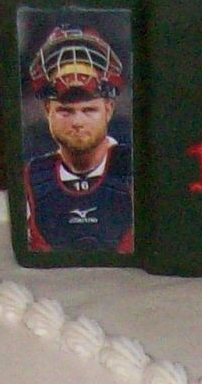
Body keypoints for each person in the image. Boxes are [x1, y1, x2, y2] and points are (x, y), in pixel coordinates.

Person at [21, 24, 134, 254]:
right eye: (65, 111)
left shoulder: (137, 169)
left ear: (109, 109)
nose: (77, 123)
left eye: (89, 110)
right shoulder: (30, 179)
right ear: (47, 111)